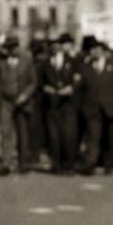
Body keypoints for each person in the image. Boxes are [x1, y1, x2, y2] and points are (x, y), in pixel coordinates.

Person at [79, 42, 113, 175]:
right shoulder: (85, 67)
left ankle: (108, 164)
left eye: (97, 50)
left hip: (110, 107)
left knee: (109, 137)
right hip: (92, 107)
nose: (95, 52)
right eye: (92, 50)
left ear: (102, 51)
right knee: (93, 136)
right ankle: (91, 163)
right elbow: (81, 88)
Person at [0, 34, 37, 176]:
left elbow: (33, 82)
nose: (10, 51)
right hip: (5, 102)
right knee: (5, 132)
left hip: (22, 102)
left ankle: (24, 163)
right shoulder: (0, 61)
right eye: (8, 48)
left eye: (13, 47)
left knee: (23, 133)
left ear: (18, 47)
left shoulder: (27, 60)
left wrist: (25, 96)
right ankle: (5, 163)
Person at [39, 33, 79, 174]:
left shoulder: (72, 61)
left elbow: (78, 79)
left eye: (57, 45)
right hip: (52, 104)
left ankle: (69, 164)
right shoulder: (45, 63)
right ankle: (57, 164)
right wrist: (46, 88)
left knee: (68, 134)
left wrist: (71, 88)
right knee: (53, 136)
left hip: (68, 104)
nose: (55, 48)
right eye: (52, 46)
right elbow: (40, 82)